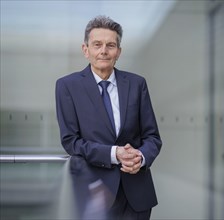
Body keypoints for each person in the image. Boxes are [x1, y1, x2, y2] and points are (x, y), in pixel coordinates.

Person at [55, 15, 162, 220]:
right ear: (85, 50)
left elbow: (152, 137)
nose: (104, 51)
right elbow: (71, 142)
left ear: (118, 52)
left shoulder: (137, 84)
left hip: (136, 194)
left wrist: (140, 157)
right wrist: (115, 153)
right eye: (97, 44)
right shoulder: (67, 86)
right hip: (94, 193)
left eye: (110, 45)